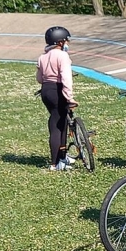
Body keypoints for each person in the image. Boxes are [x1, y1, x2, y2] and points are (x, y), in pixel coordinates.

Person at [36, 26, 77, 171]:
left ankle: (62, 156)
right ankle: (55, 163)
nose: (67, 43)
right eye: (66, 40)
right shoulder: (62, 56)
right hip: (57, 90)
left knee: (60, 121)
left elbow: (39, 78)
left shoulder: (42, 57)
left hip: (46, 90)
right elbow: (66, 78)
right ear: (60, 42)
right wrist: (69, 97)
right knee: (56, 126)